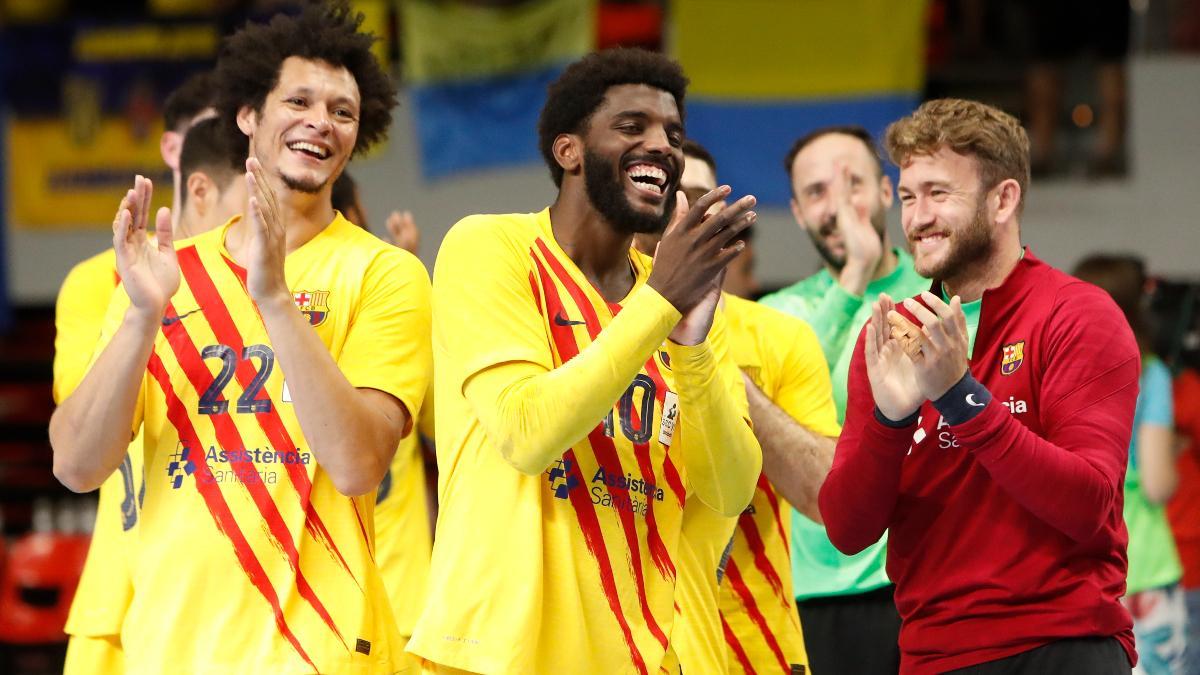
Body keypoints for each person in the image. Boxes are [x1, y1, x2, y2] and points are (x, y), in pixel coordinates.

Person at [49, 4, 432, 673]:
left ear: (357, 134)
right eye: (300, 100)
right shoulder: (164, 278)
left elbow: (358, 465)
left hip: (321, 652)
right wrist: (141, 315)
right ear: (249, 116)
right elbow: (77, 465)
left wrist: (275, 298)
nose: (322, 121)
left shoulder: (384, 273)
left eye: (343, 111)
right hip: (167, 651)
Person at [407, 48, 762, 674]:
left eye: (673, 135)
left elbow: (729, 488)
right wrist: (658, 305)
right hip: (499, 656)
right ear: (569, 151)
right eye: (633, 127)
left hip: (640, 655)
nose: (663, 147)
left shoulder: (682, 300)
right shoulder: (488, 246)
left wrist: (692, 348)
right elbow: (526, 431)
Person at [818, 98, 1141, 673]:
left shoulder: (1077, 314)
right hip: (930, 655)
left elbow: (1089, 504)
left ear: (1003, 199)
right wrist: (891, 422)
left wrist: (960, 399)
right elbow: (847, 529)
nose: (917, 219)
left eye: (939, 193)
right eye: (910, 196)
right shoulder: (893, 336)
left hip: (1060, 647)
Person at [634, 139, 841, 674]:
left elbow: (824, 496)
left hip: (757, 647)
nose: (683, 214)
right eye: (667, 196)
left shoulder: (780, 337)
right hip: (629, 643)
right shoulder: (597, 326)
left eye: (701, 199)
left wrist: (707, 354)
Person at [55, 98, 233, 675]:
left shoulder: (274, 288)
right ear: (176, 153)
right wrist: (141, 315)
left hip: (234, 600)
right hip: (120, 599)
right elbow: (79, 432)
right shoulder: (100, 279)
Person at [760, 126, 926, 673]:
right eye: (816, 193)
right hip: (804, 590)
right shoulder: (779, 314)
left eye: (853, 184)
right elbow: (772, 409)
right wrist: (854, 276)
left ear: (885, 193)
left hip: (912, 579)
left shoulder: (937, 293)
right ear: (798, 213)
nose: (837, 208)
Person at [1075, 255, 1185, 675]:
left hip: (1083, 568)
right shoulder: (1150, 374)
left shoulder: (1063, 373)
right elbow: (1158, 483)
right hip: (1146, 564)